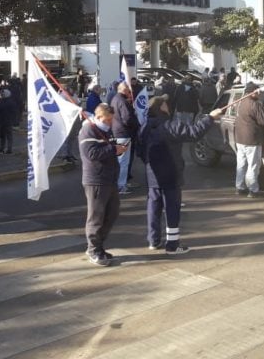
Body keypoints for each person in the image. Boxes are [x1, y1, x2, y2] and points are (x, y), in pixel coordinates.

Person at [139, 95, 223, 254]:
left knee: (153, 207)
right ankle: (172, 245)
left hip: (152, 174)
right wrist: (210, 117)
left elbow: (140, 151)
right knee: (172, 209)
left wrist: (150, 163)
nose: (168, 105)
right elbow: (194, 133)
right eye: (165, 103)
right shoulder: (169, 126)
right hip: (170, 174)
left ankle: (153, 240)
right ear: (161, 107)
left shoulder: (144, 127)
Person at [78, 103, 127, 266]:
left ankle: (98, 245)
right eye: (107, 120)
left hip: (109, 178)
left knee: (112, 213)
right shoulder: (88, 130)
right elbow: (91, 153)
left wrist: (117, 148)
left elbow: (109, 147)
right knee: (96, 217)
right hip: (96, 180)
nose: (110, 123)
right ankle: (93, 249)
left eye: (111, 120)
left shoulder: (106, 130)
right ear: (98, 117)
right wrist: (114, 150)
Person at [234, 82, 264, 198]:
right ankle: (253, 190)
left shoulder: (240, 102)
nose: (259, 93)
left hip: (240, 139)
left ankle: (240, 187)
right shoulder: (255, 104)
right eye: (258, 91)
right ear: (252, 92)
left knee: (241, 164)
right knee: (253, 166)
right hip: (252, 140)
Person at [110, 81, 140, 195]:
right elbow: (127, 119)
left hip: (118, 132)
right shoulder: (122, 101)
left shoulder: (115, 99)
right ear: (124, 89)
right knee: (123, 161)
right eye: (128, 90)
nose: (129, 92)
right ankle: (121, 186)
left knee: (121, 161)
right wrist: (136, 123)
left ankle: (121, 184)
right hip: (123, 133)